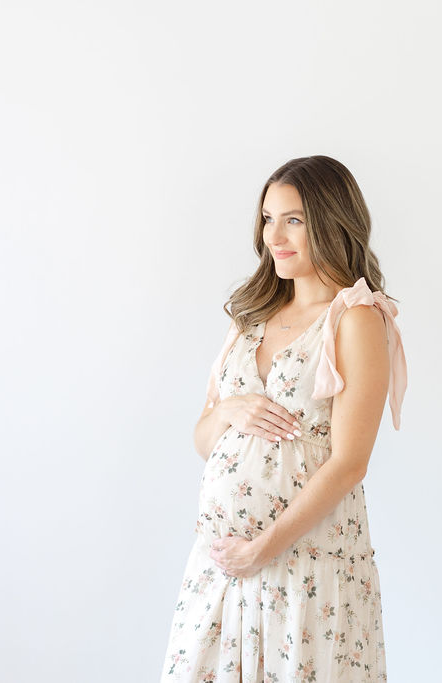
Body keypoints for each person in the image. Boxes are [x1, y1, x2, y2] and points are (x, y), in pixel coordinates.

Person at [160, 155, 408, 682]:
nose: (275, 235)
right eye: (268, 218)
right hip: (221, 574)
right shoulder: (252, 317)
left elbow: (349, 464)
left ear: (331, 219)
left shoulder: (355, 318)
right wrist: (229, 410)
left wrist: (260, 550)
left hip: (303, 568)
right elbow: (205, 439)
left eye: (293, 219)